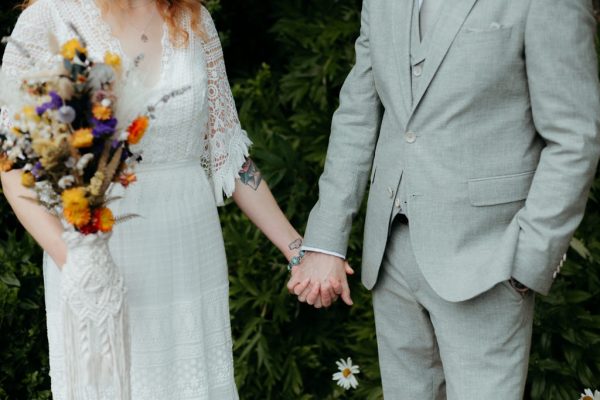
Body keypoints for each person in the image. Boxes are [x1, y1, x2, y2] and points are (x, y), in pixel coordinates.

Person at [288, 0, 600, 398]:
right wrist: (326, 241)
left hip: (488, 264)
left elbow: (575, 139)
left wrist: (528, 259)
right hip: (390, 260)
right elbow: (357, 113)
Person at [0, 0, 304, 398]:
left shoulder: (193, 20)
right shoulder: (49, 19)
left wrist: (297, 249)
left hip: (191, 261)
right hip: (97, 259)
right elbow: (14, 166)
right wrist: (75, 261)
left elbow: (227, 151)